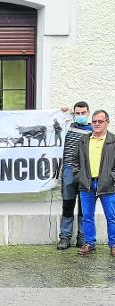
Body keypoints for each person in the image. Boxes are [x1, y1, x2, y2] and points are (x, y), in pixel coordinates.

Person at [73, 110, 115, 256]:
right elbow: (75, 161)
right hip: (87, 184)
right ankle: (89, 243)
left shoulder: (113, 141)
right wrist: (80, 177)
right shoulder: (83, 141)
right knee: (87, 216)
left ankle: (114, 244)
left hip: (107, 185)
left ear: (107, 123)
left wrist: (112, 177)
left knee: (112, 216)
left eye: (100, 121)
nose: (96, 124)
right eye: (94, 121)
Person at [57, 102, 92, 250]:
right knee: (68, 205)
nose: (80, 116)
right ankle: (65, 237)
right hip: (68, 171)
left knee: (84, 206)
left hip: (86, 172)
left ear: (88, 113)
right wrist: (65, 111)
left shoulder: (93, 130)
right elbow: (56, 122)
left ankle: (82, 237)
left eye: (83, 113)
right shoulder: (68, 127)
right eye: (77, 113)